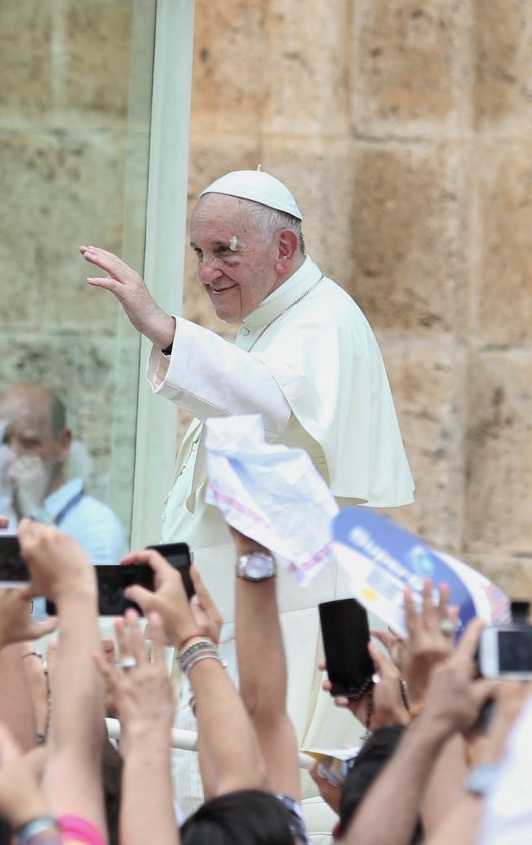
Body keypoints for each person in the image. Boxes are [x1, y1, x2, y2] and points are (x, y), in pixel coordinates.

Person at [81, 169, 413, 774]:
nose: (208, 272)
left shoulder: (324, 320)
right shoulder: (272, 325)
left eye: (225, 252)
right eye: (200, 254)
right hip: (242, 610)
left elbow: (270, 403)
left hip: (285, 614)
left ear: (283, 250)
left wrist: (164, 328)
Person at [0, 383, 128, 564]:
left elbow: (82, 591)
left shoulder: (96, 528)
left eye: (29, 443)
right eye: (2, 442)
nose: (12, 457)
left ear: (63, 443)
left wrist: (35, 510)